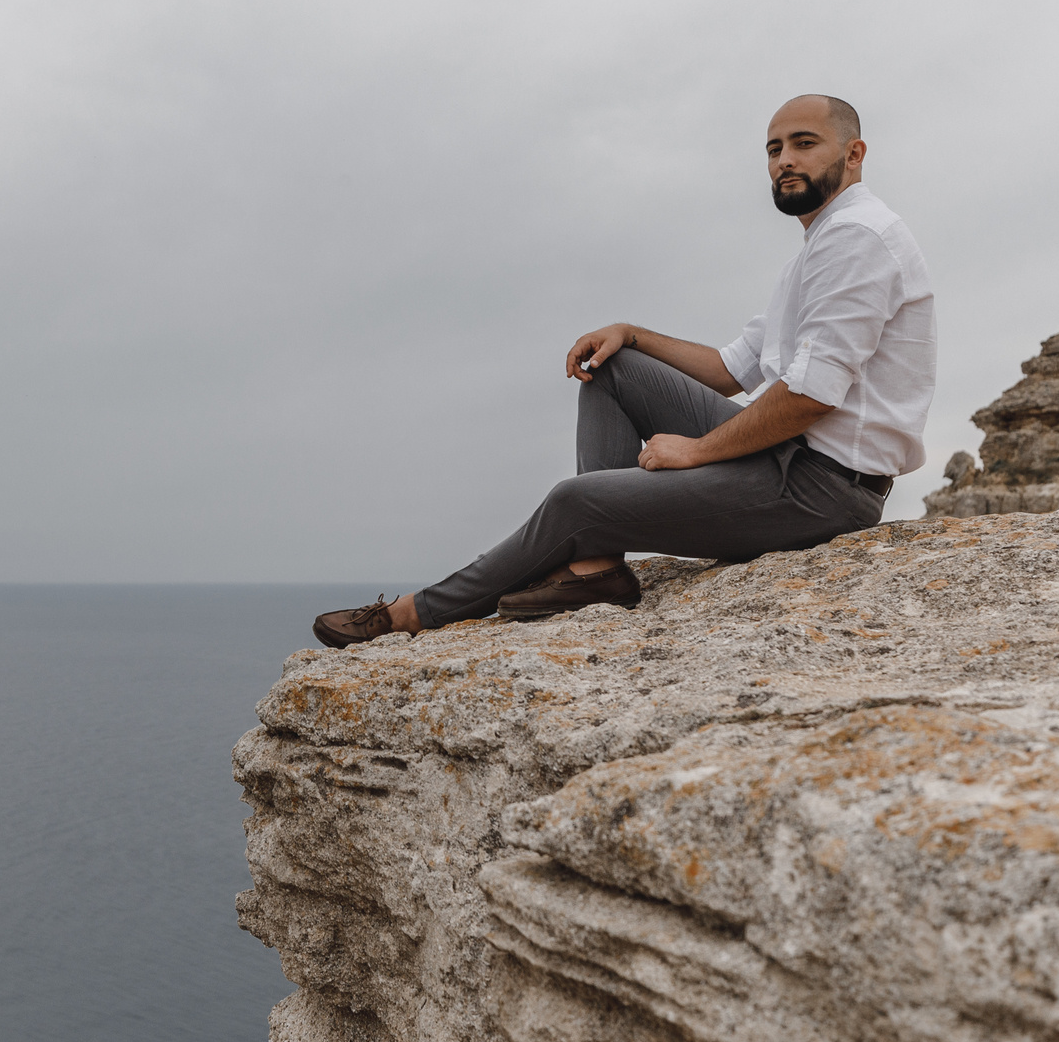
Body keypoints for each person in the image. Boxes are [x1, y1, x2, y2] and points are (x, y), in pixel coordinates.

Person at [312, 94, 934, 646]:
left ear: (853, 154)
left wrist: (697, 451)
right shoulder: (819, 247)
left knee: (575, 501)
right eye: (774, 149)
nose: (784, 161)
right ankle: (598, 570)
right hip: (791, 459)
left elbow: (810, 396)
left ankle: (411, 614)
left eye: (804, 143)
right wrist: (631, 334)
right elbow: (730, 369)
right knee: (614, 368)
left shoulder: (857, 238)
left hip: (823, 489)